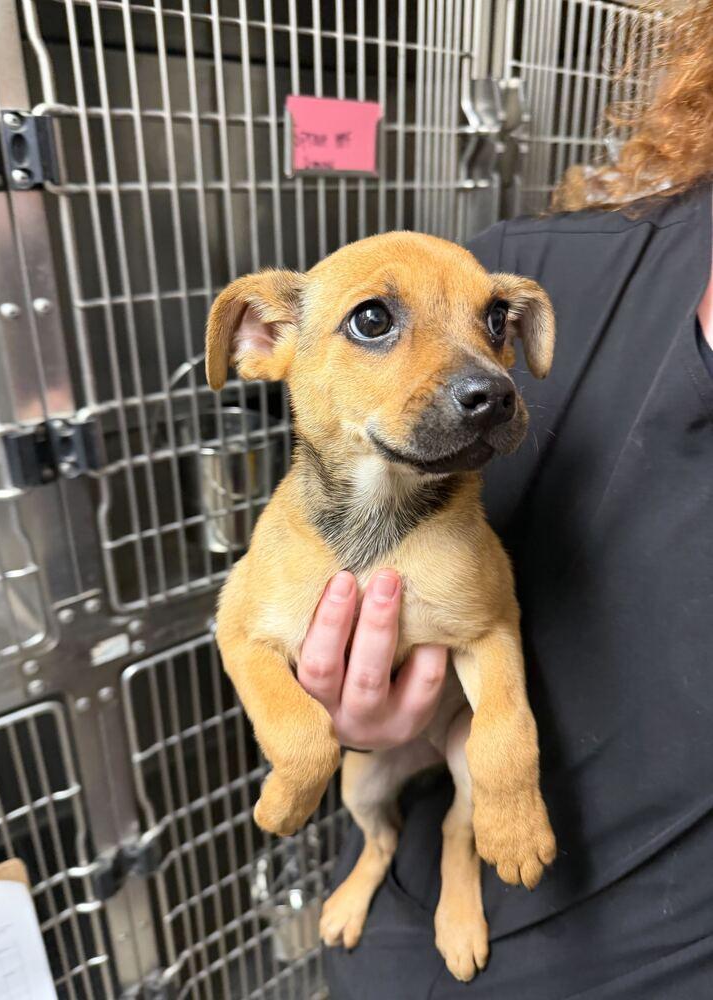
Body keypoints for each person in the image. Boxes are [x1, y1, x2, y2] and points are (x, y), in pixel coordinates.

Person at [296, 2, 713, 996]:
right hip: (397, 944)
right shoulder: (512, 271)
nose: (478, 369)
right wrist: (334, 713)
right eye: (379, 323)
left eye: (490, 332)